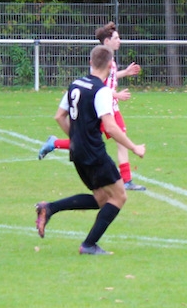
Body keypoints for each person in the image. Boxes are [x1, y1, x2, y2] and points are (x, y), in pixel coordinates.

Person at [35, 45, 146, 255]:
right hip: (94, 153)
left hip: (77, 152)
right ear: (110, 66)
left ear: (90, 62)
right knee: (119, 197)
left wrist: (76, 138)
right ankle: (88, 245)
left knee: (102, 199)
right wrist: (134, 147)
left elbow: (59, 116)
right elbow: (110, 127)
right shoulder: (101, 91)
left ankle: (49, 208)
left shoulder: (75, 84)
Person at [38, 22, 146, 191]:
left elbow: (109, 79)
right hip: (103, 108)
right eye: (116, 38)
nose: (119, 41)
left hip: (112, 107)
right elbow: (98, 88)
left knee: (117, 140)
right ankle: (55, 143)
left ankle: (126, 180)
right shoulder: (102, 61)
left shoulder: (109, 61)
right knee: (94, 141)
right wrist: (116, 95)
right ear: (107, 41)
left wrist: (124, 73)